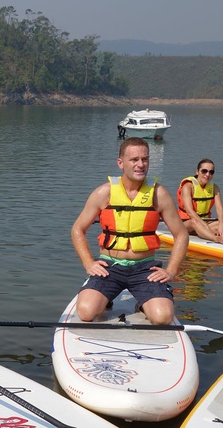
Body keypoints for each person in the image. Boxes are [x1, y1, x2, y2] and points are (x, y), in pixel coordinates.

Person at [69, 137, 189, 326]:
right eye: (134, 160)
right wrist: (88, 263)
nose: (140, 164)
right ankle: (104, 299)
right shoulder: (103, 193)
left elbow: (181, 234)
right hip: (110, 267)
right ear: (121, 163)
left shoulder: (159, 194)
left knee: (163, 318)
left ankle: (143, 304)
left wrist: (171, 271)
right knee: (86, 313)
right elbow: (77, 229)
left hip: (144, 269)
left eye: (145, 159)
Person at [177, 159, 223, 244]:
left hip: (205, 222)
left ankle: (201, 232)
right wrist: (204, 225)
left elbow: (219, 209)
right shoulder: (188, 186)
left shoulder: (214, 188)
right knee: (195, 222)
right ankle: (214, 238)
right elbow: (189, 212)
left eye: (211, 172)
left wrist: (222, 225)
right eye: (204, 171)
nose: (207, 174)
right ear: (197, 171)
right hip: (186, 223)